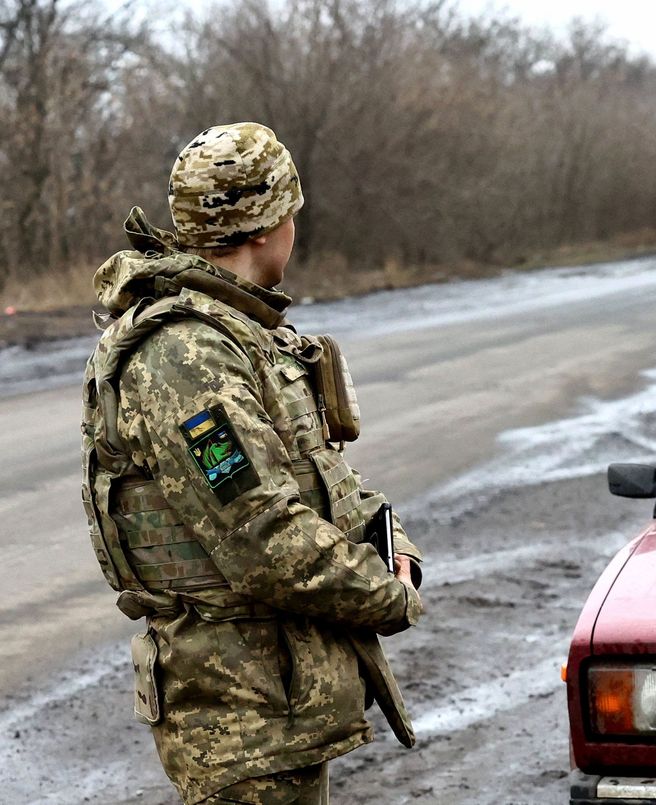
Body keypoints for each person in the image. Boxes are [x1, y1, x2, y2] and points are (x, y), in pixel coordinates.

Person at [80, 122, 425, 804]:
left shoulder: (244, 333)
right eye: (292, 210)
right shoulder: (187, 357)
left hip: (278, 706)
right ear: (269, 225)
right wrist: (387, 593)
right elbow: (262, 536)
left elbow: (322, 474)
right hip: (242, 718)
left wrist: (393, 541)